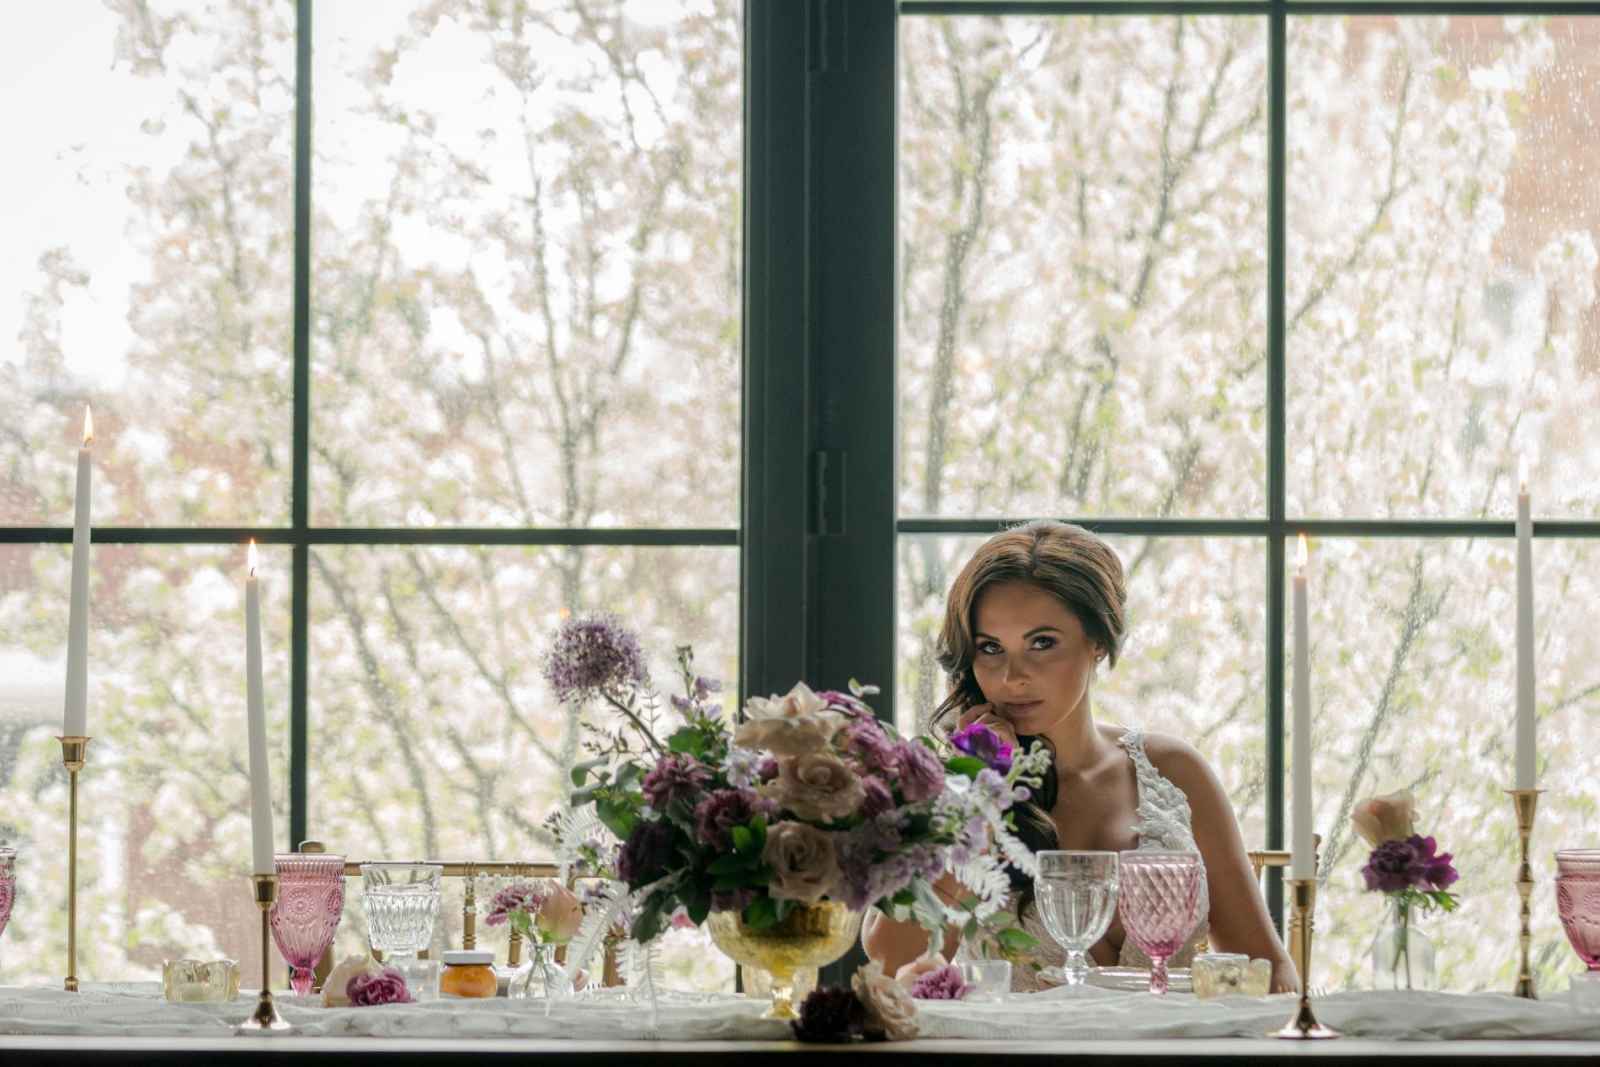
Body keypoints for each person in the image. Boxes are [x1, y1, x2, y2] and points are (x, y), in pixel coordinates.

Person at [863, 520, 1297, 993]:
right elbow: (890, 963)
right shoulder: (947, 789)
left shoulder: (1173, 772)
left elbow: (1270, 974)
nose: (1012, 676)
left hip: (1174, 1043)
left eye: (1042, 643)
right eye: (990, 648)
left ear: (1098, 641)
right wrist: (978, 797)